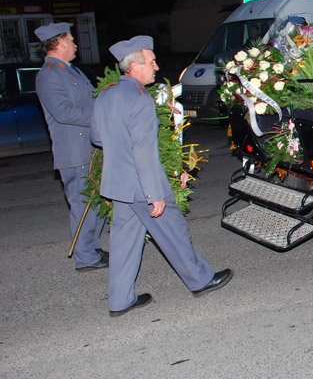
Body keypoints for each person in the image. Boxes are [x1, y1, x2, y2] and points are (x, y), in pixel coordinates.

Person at [91, 36, 232, 316]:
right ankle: (201, 280)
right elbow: (143, 152)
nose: (156, 67)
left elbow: (97, 138)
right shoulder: (140, 100)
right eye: (151, 61)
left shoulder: (106, 94)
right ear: (134, 66)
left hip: (118, 184)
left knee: (124, 242)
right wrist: (154, 194)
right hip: (144, 184)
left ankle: (120, 300)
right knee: (174, 232)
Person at [34, 22, 107, 271]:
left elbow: (90, 100)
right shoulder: (49, 74)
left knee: (95, 202)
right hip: (74, 153)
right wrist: (101, 118)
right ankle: (85, 257)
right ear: (61, 42)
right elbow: (63, 113)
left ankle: (91, 248)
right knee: (81, 203)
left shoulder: (71, 71)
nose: (76, 44)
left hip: (89, 148)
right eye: (72, 39)